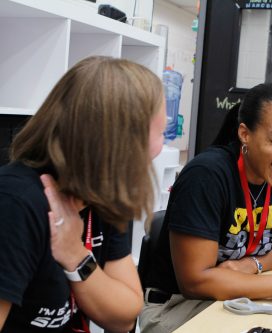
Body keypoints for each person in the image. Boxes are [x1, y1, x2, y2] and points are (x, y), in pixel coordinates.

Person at [140, 83, 272, 333]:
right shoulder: (206, 176)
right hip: (178, 307)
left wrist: (252, 265)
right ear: (245, 134)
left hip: (235, 294)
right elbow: (196, 282)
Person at [0, 56, 167, 332]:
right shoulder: (16, 203)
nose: (162, 147)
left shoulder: (104, 195)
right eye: (160, 133)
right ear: (120, 141)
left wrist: (76, 255)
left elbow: (125, 316)